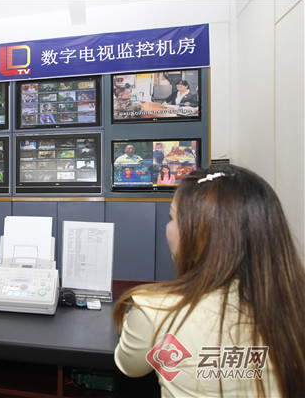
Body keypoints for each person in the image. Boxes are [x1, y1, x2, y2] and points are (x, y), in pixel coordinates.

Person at [113, 164, 305, 397]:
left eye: (172, 217)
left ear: (198, 233)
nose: (168, 227)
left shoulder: (155, 310)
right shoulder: (294, 308)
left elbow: (130, 366)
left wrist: (132, 326)